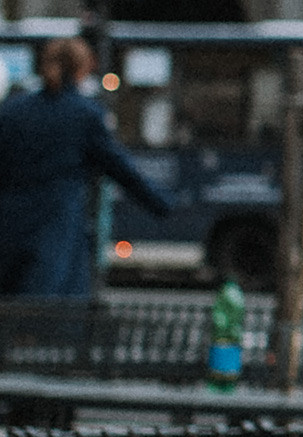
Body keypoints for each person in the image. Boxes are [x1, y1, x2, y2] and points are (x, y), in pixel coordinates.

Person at [0, 37, 173, 300]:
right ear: (82, 69)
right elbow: (121, 169)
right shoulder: (84, 115)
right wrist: (162, 203)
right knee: (51, 316)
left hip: (9, 227)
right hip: (57, 229)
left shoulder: (13, 111)